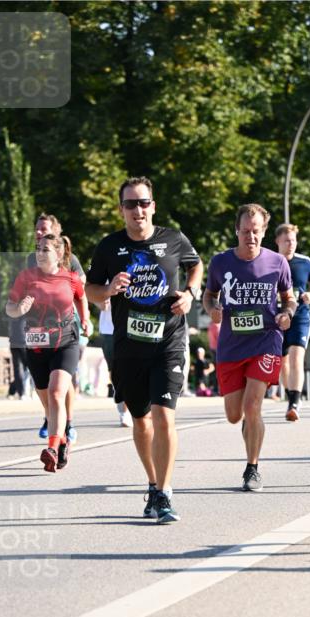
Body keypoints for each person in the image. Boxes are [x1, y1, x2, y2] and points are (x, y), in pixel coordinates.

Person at [85, 175, 203, 523]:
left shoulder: (174, 239)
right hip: (129, 347)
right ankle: (152, 484)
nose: (138, 210)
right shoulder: (109, 247)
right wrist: (107, 290)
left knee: (165, 414)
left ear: (153, 206)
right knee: (141, 420)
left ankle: (165, 493)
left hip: (169, 340)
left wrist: (190, 294)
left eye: (144, 203)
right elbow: (89, 289)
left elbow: (195, 265)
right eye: (131, 204)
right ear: (121, 209)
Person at [203, 203, 296, 492]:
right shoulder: (220, 262)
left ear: (264, 232)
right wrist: (213, 308)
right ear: (236, 231)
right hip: (231, 346)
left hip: (266, 341)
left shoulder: (277, 262)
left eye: (256, 232)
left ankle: (252, 468)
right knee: (235, 415)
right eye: (245, 231)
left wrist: (287, 314)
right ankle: (248, 424)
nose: (250, 237)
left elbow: (288, 298)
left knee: (253, 405)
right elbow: (209, 295)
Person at [5, 233, 88, 472]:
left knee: (56, 392)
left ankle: (51, 448)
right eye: (37, 248)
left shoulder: (70, 277)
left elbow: (81, 298)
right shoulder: (26, 277)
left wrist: (85, 319)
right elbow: (9, 307)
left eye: (45, 250)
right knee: (47, 403)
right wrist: (18, 308)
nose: (39, 253)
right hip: (37, 344)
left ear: (59, 253)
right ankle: (61, 439)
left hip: (65, 341)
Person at [28, 214, 88, 443]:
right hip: (39, 329)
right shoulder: (32, 260)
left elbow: (80, 285)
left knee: (63, 378)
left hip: (67, 327)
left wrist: (83, 318)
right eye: (37, 228)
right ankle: (49, 416)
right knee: (42, 382)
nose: (39, 232)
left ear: (55, 230)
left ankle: (68, 421)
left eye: (44, 228)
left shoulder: (67, 257)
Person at [274, 223, 310, 421]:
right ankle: (290, 395)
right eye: (286, 240)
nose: (291, 244)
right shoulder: (269, 261)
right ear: (278, 241)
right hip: (276, 317)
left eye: (293, 240)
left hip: (300, 315)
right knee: (282, 362)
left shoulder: (304, 261)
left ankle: (294, 402)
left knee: (296, 357)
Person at [98, 294, 132, 426]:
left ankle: (127, 411)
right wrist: (99, 302)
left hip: (132, 327)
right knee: (115, 373)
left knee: (130, 370)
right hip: (109, 329)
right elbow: (92, 291)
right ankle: (123, 406)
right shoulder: (106, 273)